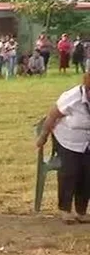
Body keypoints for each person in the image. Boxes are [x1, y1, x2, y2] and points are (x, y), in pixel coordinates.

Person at [36, 73, 90, 224]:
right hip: (66, 140)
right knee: (70, 170)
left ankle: (81, 211)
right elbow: (52, 116)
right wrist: (43, 136)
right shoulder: (72, 97)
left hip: (87, 142)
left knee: (87, 173)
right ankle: (65, 210)